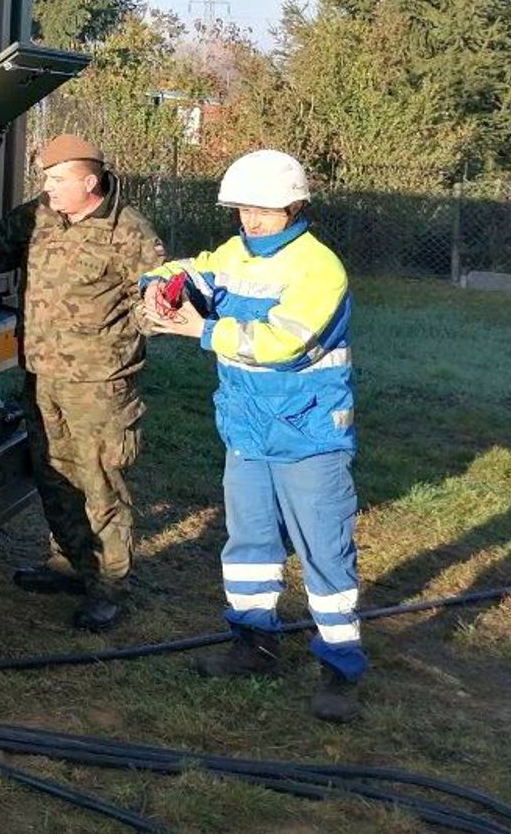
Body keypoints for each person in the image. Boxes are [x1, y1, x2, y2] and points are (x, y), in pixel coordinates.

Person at [0, 134, 166, 630]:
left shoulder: (129, 233)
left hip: (99, 385)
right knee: (53, 472)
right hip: (43, 375)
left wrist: (161, 313)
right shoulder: (40, 216)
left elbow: (156, 300)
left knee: (99, 483)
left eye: (57, 179)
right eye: (45, 178)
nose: (47, 187)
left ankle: (109, 585)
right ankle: (68, 562)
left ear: (89, 182)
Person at [141, 148, 364, 723]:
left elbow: (284, 345)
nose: (251, 220)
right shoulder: (235, 254)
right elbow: (192, 269)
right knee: (249, 546)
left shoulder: (320, 268)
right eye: (242, 209)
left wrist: (200, 328)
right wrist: (158, 285)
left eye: (263, 210)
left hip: (309, 432)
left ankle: (340, 667)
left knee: (324, 551)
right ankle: (253, 645)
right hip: (246, 432)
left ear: (295, 206)